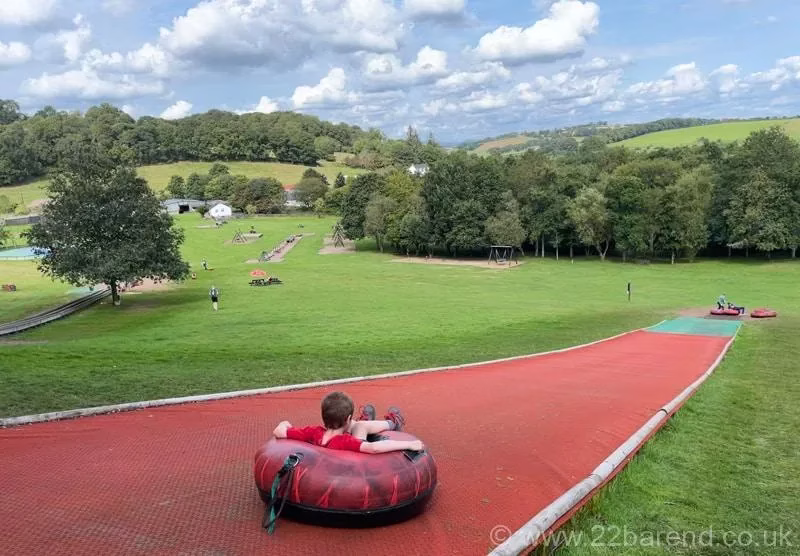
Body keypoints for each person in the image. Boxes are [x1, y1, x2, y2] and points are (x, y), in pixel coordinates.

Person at [272, 391, 423, 454]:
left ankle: (364, 423)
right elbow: (374, 448)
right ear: (348, 418)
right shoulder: (344, 441)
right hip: (354, 459)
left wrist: (285, 423)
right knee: (360, 426)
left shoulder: (313, 432)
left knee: (359, 426)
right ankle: (392, 423)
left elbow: (279, 431)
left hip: (336, 431)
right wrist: (409, 444)